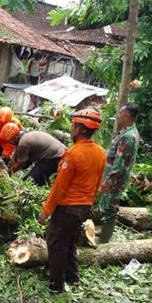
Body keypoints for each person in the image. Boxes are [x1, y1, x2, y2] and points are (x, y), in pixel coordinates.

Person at [38, 108, 106, 293]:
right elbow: (98, 183)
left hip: (67, 207)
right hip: (84, 207)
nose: (70, 127)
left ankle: (56, 285)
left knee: (56, 243)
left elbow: (59, 186)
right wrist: (89, 203)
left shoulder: (73, 154)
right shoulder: (101, 152)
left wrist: (46, 210)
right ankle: (72, 277)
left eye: (73, 124)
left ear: (79, 129)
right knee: (70, 242)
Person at [98, 103, 140, 243]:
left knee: (110, 209)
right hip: (115, 178)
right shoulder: (127, 132)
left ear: (126, 116)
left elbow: (119, 164)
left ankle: (104, 240)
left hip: (116, 180)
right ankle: (103, 235)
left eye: (120, 114)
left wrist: (108, 181)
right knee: (108, 207)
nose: (117, 116)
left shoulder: (128, 137)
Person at [1, 124, 66, 186]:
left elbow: (20, 164)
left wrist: (6, 173)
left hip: (55, 158)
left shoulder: (23, 143)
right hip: (59, 154)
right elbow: (17, 156)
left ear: (13, 139)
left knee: (29, 182)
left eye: (10, 142)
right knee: (33, 173)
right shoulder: (27, 135)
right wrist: (10, 167)